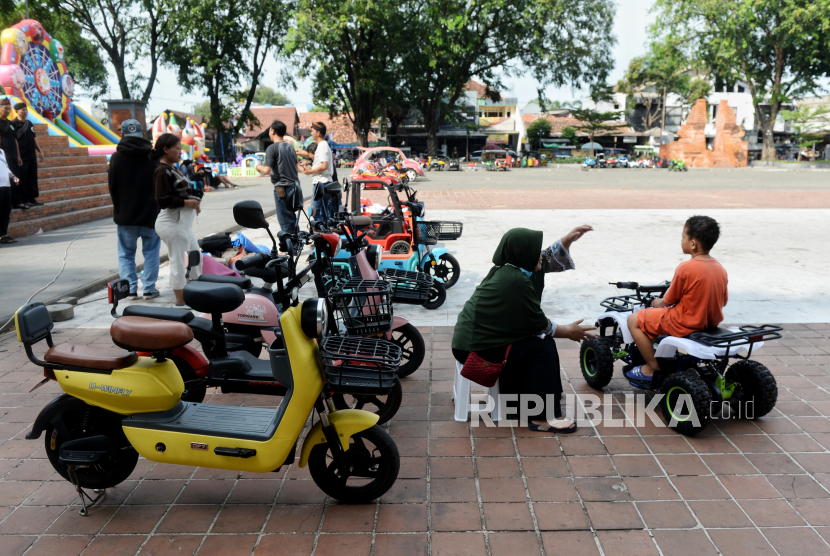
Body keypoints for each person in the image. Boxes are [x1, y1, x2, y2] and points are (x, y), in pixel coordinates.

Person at [452, 226, 595, 433]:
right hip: (474, 347)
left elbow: (547, 257)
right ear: (522, 253)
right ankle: (541, 417)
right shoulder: (515, 281)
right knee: (542, 345)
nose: (541, 255)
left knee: (533, 342)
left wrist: (567, 239)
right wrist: (569, 331)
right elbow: (540, 325)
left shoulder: (513, 268)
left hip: (476, 339)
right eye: (534, 250)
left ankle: (525, 402)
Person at [626, 216, 728, 381]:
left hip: (683, 322)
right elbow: (723, 301)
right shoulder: (720, 268)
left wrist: (655, 302)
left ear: (693, 243)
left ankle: (652, 367)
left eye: (683, 237)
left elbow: (667, 301)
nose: (681, 240)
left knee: (633, 320)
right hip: (710, 323)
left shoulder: (685, 268)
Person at [108, 119, 161, 299]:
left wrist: (119, 208)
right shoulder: (153, 156)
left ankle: (129, 290)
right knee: (152, 252)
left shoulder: (116, 157)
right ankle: (149, 289)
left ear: (122, 134)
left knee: (125, 254)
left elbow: (112, 186)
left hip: (125, 215)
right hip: (150, 215)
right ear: (143, 135)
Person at [152, 133, 203, 306]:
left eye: (181, 149)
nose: (180, 152)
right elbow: (163, 200)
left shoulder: (172, 168)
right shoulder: (162, 170)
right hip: (171, 222)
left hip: (182, 224)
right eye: (177, 149)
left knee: (195, 258)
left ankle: (193, 291)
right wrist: (188, 202)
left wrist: (193, 202)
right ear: (165, 149)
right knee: (179, 261)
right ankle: (181, 300)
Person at [255, 120, 301, 232]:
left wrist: (257, 166)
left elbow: (267, 170)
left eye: (270, 130)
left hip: (282, 189)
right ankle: (296, 244)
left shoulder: (272, 148)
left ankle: (289, 247)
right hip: (294, 187)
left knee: (285, 219)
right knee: (291, 217)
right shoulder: (290, 147)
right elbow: (295, 167)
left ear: (273, 131)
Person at [11, 103, 44, 206]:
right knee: (23, 178)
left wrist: (40, 151)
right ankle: (25, 199)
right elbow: (14, 140)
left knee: (32, 177)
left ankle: (32, 198)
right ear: (16, 111)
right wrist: (18, 156)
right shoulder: (13, 124)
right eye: (22, 110)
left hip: (31, 155)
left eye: (26, 110)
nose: (25, 112)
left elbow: (34, 138)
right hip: (22, 156)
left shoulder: (29, 123)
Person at [0, 98, 25, 210]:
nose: (8, 111)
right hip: (3, 157)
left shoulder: (10, 124)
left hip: (13, 155)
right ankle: (9, 201)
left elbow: (15, 140)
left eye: (9, 109)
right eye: (6, 108)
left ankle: (17, 201)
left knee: (16, 178)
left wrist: (18, 155)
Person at [0, 147, 18, 244]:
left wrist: (13, 176)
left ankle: (4, 234)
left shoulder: (2, 151)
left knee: (6, 211)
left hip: (6, 185)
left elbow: (6, 168)